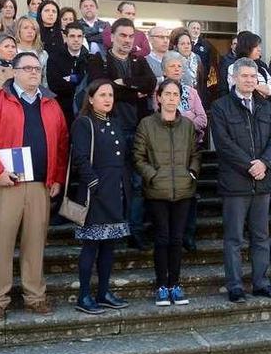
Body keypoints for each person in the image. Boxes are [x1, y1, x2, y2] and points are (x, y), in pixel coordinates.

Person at [0, 51, 69, 320]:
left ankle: (35, 296)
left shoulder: (51, 104)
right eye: (27, 68)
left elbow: (61, 144)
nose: (34, 72)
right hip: (4, 184)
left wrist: (57, 177)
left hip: (39, 185)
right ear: (14, 72)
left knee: (35, 245)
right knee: (0, 245)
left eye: (37, 68)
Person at [211, 57, 271, 302]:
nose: (249, 81)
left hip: (262, 181)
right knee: (234, 239)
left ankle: (261, 283)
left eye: (253, 77)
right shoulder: (221, 106)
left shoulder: (265, 106)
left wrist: (265, 163)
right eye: (244, 76)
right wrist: (249, 165)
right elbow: (223, 143)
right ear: (233, 79)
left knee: (261, 237)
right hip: (236, 183)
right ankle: (235, 286)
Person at [88, 18, 157, 249]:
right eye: (123, 35)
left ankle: (134, 230)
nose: (127, 40)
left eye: (131, 36)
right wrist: (131, 91)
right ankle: (115, 230)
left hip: (137, 129)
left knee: (138, 183)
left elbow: (149, 84)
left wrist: (124, 83)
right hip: (109, 128)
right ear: (112, 36)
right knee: (112, 183)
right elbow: (101, 89)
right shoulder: (100, 59)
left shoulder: (139, 61)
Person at [134, 78, 201, 306]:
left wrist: (191, 172)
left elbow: (195, 154)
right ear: (159, 97)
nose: (172, 98)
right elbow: (138, 157)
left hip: (184, 191)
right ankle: (162, 285)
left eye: (175, 94)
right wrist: (153, 175)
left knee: (177, 239)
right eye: (168, 94)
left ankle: (176, 284)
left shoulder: (188, 125)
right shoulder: (146, 124)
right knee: (162, 238)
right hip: (157, 191)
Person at [70, 79, 131, 314]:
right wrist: (94, 183)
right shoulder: (84, 123)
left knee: (109, 247)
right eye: (103, 95)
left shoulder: (115, 123)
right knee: (91, 246)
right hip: (95, 193)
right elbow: (80, 159)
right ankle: (84, 296)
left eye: (111, 95)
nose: (108, 99)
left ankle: (103, 292)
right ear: (91, 98)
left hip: (115, 191)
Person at [158, 51, 207, 253]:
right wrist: (189, 116)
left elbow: (203, 120)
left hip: (191, 148)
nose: (178, 69)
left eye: (180, 66)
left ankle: (189, 234)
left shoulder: (191, 92)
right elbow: (162, 117)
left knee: (190, 194)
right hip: (166, 150)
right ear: (164, 70)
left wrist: (181, 117)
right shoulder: (158, 91)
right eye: (173, 66)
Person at [46, 22, 89, 125]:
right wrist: (78, 79)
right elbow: (54, 85)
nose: (76, 40)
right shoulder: (54, 58)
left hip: (83, 110)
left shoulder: (90, 59)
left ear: (83, 38)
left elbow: (88, 84)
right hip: (61, 109)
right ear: (65, 37)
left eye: (79, 36)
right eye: (72, 36)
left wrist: (70, 78)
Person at [227, 31, 271, 102]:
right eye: (256, 47)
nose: (259, 49)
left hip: (262, 108)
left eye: (259, 46)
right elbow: (240, 89)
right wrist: (265, 89)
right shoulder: (234, 67)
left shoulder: (262, 68)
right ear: (247, 48)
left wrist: (256, 87)